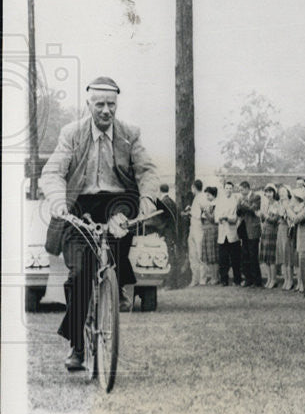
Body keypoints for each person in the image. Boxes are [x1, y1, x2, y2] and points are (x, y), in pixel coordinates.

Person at [40, 76, 158, 372]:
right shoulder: (72, 133)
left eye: (112, 104)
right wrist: (57, 199)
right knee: (80, 273)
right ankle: (77, 346)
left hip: (118, 202)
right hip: (78, 204)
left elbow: (146, 171)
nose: (106, 110)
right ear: (88, 104)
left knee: (122, 217)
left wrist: (148, 200)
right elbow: (53, 171)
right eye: (100, 104)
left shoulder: (130, 133)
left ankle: (115, 282)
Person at [152, 183, 180, 289]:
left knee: (167, 257)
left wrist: (161, 233)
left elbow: (162, 221)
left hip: (167, 233)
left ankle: (169, 283)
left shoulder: (164, 203)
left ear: (159, 191)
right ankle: (172, 283)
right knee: (170, 256)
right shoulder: (171, 201)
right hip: (171, 232)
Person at [215, 180, 242, 286]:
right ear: (224, 189)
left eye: (230, 188)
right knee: (223, 259)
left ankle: (237, 279)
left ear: (233, 189)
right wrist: (220, 218)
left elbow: (236, 217)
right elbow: (216, 217)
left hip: (232, 232)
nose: (228, 190)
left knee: (235, 258)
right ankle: (224, 280)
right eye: (227, 188)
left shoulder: (235, 201)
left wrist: (228, 218)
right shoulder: (219, 201)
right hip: (222, 233)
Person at [236, 180, 263, 287]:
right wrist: (239, 206)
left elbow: (253, 209)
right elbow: (238, 213)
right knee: (245, 255)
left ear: (247, 188)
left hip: (253, 230)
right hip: (243, 230)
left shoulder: (256, 197)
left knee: (253, 256)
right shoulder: (240, 199)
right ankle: (248, 279)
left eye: (242, 189)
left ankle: (257, 281)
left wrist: (244, 204)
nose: (240, 191)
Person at [185, 179, 210, 286]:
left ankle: (202, 279)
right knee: (193, 254)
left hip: (199, 227)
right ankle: (194, 279)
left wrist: (194, 213)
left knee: (200, 254)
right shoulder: (196, 198)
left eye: (192, 188)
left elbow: (206, 212)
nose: (192, 190)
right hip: (193, 227)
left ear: (194, 187)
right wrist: (191, 210)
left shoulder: (203, 197)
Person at [276, 185, 297, 290]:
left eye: (283, 192)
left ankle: (290, 280)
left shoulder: (291, 203)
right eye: (280, 192)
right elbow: (279, 214)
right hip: (281, 229)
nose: (281, 194)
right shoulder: (280, 203)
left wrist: (286, 209)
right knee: (283, 255)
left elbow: (291, 217)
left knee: (288, 255)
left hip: (288, 229)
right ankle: (286, 279)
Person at [259, 184, 280, 287]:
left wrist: (266, 216)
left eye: (270, 192)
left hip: (273, 232)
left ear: (274, 193)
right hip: (265, 231)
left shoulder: (277, 204)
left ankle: (274, 280)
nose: (268, 194)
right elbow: (263, 219)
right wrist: (261, 216)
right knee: (266, 257)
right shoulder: (265, 204)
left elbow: (274, 220)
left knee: (271, 258)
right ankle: (269, 278)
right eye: (267, 192)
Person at [200, 186, 220, 275]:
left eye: (208, 195)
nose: (207, 197)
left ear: (214, 195)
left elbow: (213, 219)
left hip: (212, 231)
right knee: (209, 254)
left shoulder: (215, 205)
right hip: (207, 230)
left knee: (213, 255)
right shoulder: (209, 205)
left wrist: (205, 211)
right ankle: (213, 275)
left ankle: (215, 276)